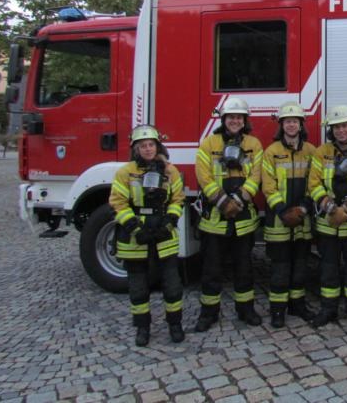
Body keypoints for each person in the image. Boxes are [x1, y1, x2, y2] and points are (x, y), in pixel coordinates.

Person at [109, 124, 185, 346]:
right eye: (143, 145)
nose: (148, 149)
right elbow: (118, 203)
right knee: (138, 287)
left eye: (151, 144)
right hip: (136, 235)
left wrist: (169, 222)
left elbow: (178, 199)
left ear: (157, 146)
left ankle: (175, 325)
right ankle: (142, 328)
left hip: (163, 231)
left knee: (172, 284)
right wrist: (135, 228)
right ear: (136, 149)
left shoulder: (170, 171)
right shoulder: (125, 172)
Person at [193, 97, 264, 332]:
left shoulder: (254, 144)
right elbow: (203, 176)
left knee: (244, 268)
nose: (235, 121)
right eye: (231, 117)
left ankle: (246, 310)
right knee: (211, 270)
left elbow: (256, 175)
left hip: (243, 219)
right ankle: (208, 313)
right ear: (224, 119)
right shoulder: (209, 144)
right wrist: (223, 202)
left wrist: (240, 199)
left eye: (239, 117)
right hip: (215, 218)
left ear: (245, 120)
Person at [308, 104, 347, 328]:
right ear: (331, 130)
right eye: (336, 127)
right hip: (328, 225)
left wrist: (346, 210)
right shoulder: (321, 152)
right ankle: (328, 310)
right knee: (328, 270)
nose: (341, 131)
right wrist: (330, 208)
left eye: (344, 126)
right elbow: (314, 184)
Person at [261, 101, 316, 328]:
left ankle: (297, 305)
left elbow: (314, 183)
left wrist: (303, 209)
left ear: (301, 124)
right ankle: (277, 310)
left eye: (295, 121)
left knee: (300, 265)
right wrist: (283, 211)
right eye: (287, 121)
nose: (291, 125)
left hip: (302, 220)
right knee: (280, 267)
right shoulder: (271, 152)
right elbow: (268, 186)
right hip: (278, 221)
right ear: (281, 125)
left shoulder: (311, 151)